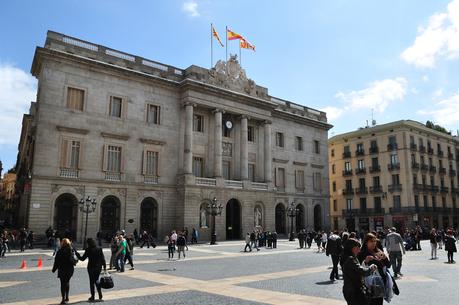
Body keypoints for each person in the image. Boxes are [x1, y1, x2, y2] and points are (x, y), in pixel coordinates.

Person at [358, 233, 391, 305]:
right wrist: (365, 261)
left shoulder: (379, 251)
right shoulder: (362, 253)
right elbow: (358, 268)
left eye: (375, 241)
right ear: (366, 242)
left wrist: (385, 258)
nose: (374, 243)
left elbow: (388, 265)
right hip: (369, 283)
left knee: (379, 301)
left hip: (380, 282)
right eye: (371, 241)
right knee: (370, 302)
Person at [342, 238, 377, 305]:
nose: (359, 250)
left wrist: (365, 262)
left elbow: (357, 269)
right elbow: (363, 271)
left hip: (351, 289)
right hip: (354, 290)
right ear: (351, 248)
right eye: (357, 248)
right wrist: (371, 268)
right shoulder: (350, 259)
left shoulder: (348, 257)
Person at [52, 238, 77, 304]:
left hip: (62, 269)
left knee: (62, 283)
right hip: (69, 269)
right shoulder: (71, 250)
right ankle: (67, 297)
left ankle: (63, 299)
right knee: (67, 282)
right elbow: (74, 259)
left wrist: (54, 269)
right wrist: (75, 262)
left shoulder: (59, 251)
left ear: (62, 243)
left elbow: (56, 261)